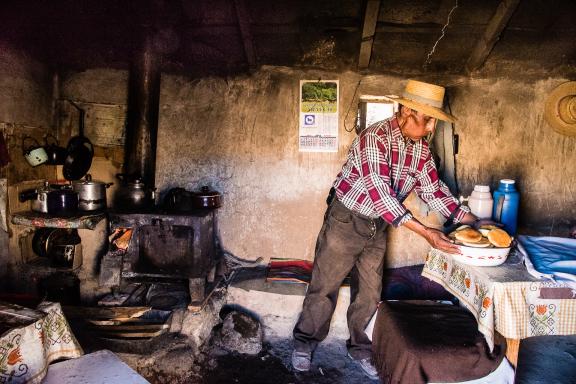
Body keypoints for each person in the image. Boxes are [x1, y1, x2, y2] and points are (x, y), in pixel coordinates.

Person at [291, 79, 485, 380]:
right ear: (408, 112)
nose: (432, 127)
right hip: (347, 219)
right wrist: (428, 233)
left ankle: (360, 349)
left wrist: (470, 219)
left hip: (378, 224)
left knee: (369, 292)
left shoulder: (420, 148)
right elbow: (380, 193)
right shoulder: (375, 138)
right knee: (325, 284)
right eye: (429, 119)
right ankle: (305, 342)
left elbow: (432, 190)